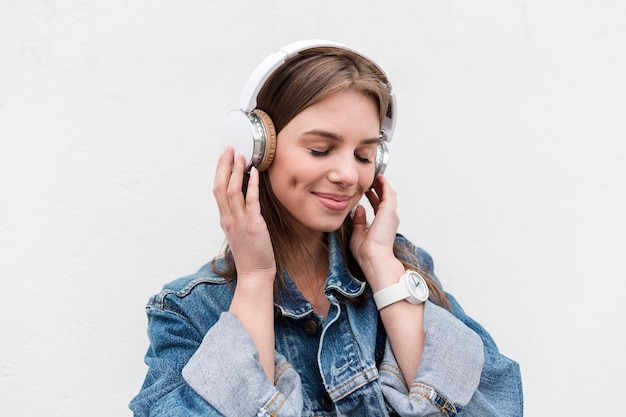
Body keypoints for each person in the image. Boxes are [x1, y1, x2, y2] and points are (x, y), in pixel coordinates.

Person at [129, 40, 523, 417]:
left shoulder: (400, 274)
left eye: (364, 155)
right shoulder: (188, 310)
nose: (349, 175)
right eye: (320, 149)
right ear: (258, 150)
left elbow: (496, 409)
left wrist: (381, 263)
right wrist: (254, 278)